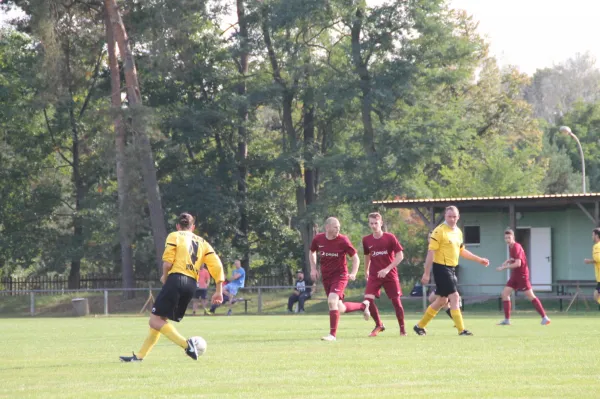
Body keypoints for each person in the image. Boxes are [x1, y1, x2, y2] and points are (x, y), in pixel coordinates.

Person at [120, 213, 224, 362]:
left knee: (154, 321)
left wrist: (165, 277)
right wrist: (219, 290)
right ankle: (139, 357)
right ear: (193, 227)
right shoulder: (203, 242)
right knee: (160, 319)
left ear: (178, 226)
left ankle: (187, 345)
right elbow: (216, 265)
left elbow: (168, 263)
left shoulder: (174, 236)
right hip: (191, 285)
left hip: (176, 279)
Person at [413, 206, 489, 336]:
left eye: (454, 216)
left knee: (442, 301)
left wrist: (479, 259)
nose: (452, 219)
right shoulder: (439, 231)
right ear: (445, 216)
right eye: (449, 216)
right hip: (441, 268)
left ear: (458, 217)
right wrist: (426, 273)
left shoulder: (458, 232)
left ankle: (420, 326)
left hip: (451, 268)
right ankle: (461, 330)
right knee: (455, 296)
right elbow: (431, 253)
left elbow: (462, 251)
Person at [310, 217, 371, 341]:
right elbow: (312, 252)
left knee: (332, 301)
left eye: (339, 226)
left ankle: (332, 335)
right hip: (327, 277)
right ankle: (363, 306)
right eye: (335, 227)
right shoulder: (318, 239)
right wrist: (313, 268)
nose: (338, 229)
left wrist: (353, 273)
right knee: (340, 307)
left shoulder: (343, 240)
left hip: (340, 275)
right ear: (327, 227)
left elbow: (355, 258)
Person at [362, 212, 407, 337]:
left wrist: (387, 269)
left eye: (376, 223)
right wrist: (366, 270)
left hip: (390, 274)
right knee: (368, 300)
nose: (374, 226)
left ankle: (402, 329)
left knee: (396, 302)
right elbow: (367, 256)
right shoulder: (366, 240)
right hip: (374, 275)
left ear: (381, 223)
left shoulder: (390, 237)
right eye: (371, 223)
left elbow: (400, 256)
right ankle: (379, 325)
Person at [496, 229, 551, 326]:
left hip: (522, 276)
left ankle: (545, 317)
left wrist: (504, 267)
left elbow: (518, 263)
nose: (507, 239)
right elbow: (515, 259)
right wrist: (508, 260)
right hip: (515, 275)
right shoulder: (511, 247)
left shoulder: (516, 246)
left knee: (530, 296)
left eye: (509, 237)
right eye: (506, 238)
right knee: (505, 294)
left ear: (513, 238)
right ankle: (507, 320)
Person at [583, 227, 600, 305]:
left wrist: (589, 261)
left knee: (596, 296)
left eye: (593, 235)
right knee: (596, 295)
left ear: (596, 236)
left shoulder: (596, 246)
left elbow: (598, 259)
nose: (592, 237)